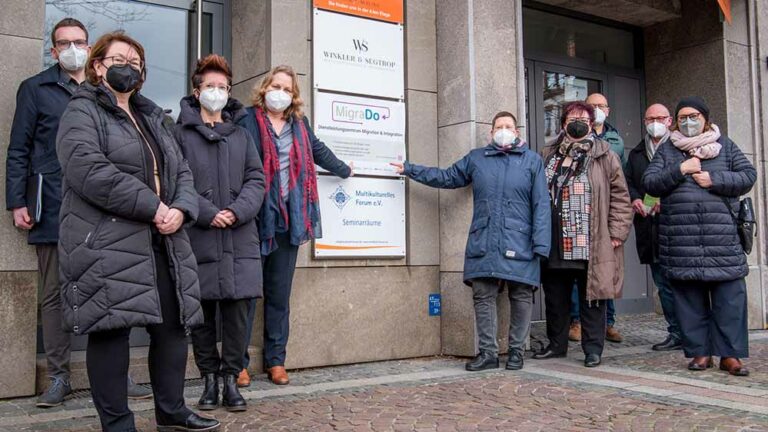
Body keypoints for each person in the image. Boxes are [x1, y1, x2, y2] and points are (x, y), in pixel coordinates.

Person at [56, 31, 219, 431]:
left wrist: (181, 208)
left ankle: (172, 412)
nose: (127, 68)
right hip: (108, 239)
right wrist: (154, 206)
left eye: (135, 62)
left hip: (164, 237)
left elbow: (181, 171)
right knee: (112, 331)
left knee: (173, 327)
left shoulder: (153, 117)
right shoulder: (82, 111)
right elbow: (89, 170)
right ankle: (117, 424)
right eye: (118, 60)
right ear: (97, 66)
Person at [5, 17, 150, 408]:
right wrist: (17, 201)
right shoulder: (35, 89)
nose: (72, 48)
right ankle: (58, 376)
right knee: (53, 295)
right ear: (53, 50)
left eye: (80, 41)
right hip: (52, 207)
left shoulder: (105, 92)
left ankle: (119, 374)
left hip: (101, 210)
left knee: (108, 289)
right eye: (64, 43)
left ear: (91, 49)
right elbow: (19, 148)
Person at [392, 112, 550, 371]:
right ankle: (488, 353)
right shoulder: (477, 159)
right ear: (490, 133)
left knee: (521, 295)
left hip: (520, 240)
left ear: (517, 132)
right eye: (499, 126)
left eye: (508, 126)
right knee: (483, 294)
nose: (503, 130)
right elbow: (446, 177)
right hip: (485, 238)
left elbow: (541, 204)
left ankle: (516, 352)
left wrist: (541, 244)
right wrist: (409, 169)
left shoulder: (532, 162)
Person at [237, 65, 352, 386]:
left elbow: (317, 150)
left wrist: (344, 169)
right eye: (276, 86)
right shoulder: (245, 119)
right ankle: (238, 362)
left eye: (287, 89)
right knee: (246, 295)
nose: (280, 93)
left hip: (290, 221)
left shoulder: (299, 125)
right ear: (264, 88)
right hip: (255, 220)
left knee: (278, 295)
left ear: (294, 96)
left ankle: (276, 360)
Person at [175, 54, 265, 412]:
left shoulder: (242, 135)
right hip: (199, 236)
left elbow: (257, 180)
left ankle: (231, 380)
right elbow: (174, 181)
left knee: (238, 315)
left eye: (222, 87)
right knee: (201, 318)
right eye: (209, 86)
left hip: (240, 239)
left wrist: (236, 211)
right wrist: (209, 213)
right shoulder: (178, 134)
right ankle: (209, 381)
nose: (216, 92)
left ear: (229, 92)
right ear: (197, 92)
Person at [642, 97, 756, 376]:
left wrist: (714, 180)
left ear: (705, 117)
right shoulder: (669, 149)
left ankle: (730, 355)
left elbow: (747, 175)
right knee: (689, 300)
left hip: (722, 239)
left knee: (729, 299)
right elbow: (650, 183)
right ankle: (699, 353)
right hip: (682, 240)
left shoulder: (725, 146)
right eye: (682, 118)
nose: (688, 122)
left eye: (693, 116)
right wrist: (681, 170)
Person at [533, 101, 632, 368]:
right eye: (572, 117)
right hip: (555, 239)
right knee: (555, 297)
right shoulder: (548, 153)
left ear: (591, 123)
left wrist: (617, 233)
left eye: (584, 118)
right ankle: (557, 345)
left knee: (593, 297)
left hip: (591, 239)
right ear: (564, 123)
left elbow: (621, 197)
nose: (578, 122)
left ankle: (592, 349)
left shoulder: (605, 154)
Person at [567, 93, 626, 345]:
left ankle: (607, 323)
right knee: (577, 278)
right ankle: (577, 321)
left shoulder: (613, 143)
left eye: (601, 106)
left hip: (601, 223)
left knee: (604, 275)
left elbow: (621, 188)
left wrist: (616, 230)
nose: (597, 109)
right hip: (573, 227)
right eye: (593, 106)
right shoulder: (557, 150)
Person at [624, 103, 682, 351]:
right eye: (650, 118)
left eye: (660, 118)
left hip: (678, 228)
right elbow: (627, 182)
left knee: (681, 284)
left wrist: (664, 200)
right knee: (662, 284)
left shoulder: (680, 148)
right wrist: (635, 198)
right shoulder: (636, 153)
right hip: (649, 227)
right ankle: (676, 332)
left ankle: (694, 331)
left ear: (670, 121)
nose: (655, 122)